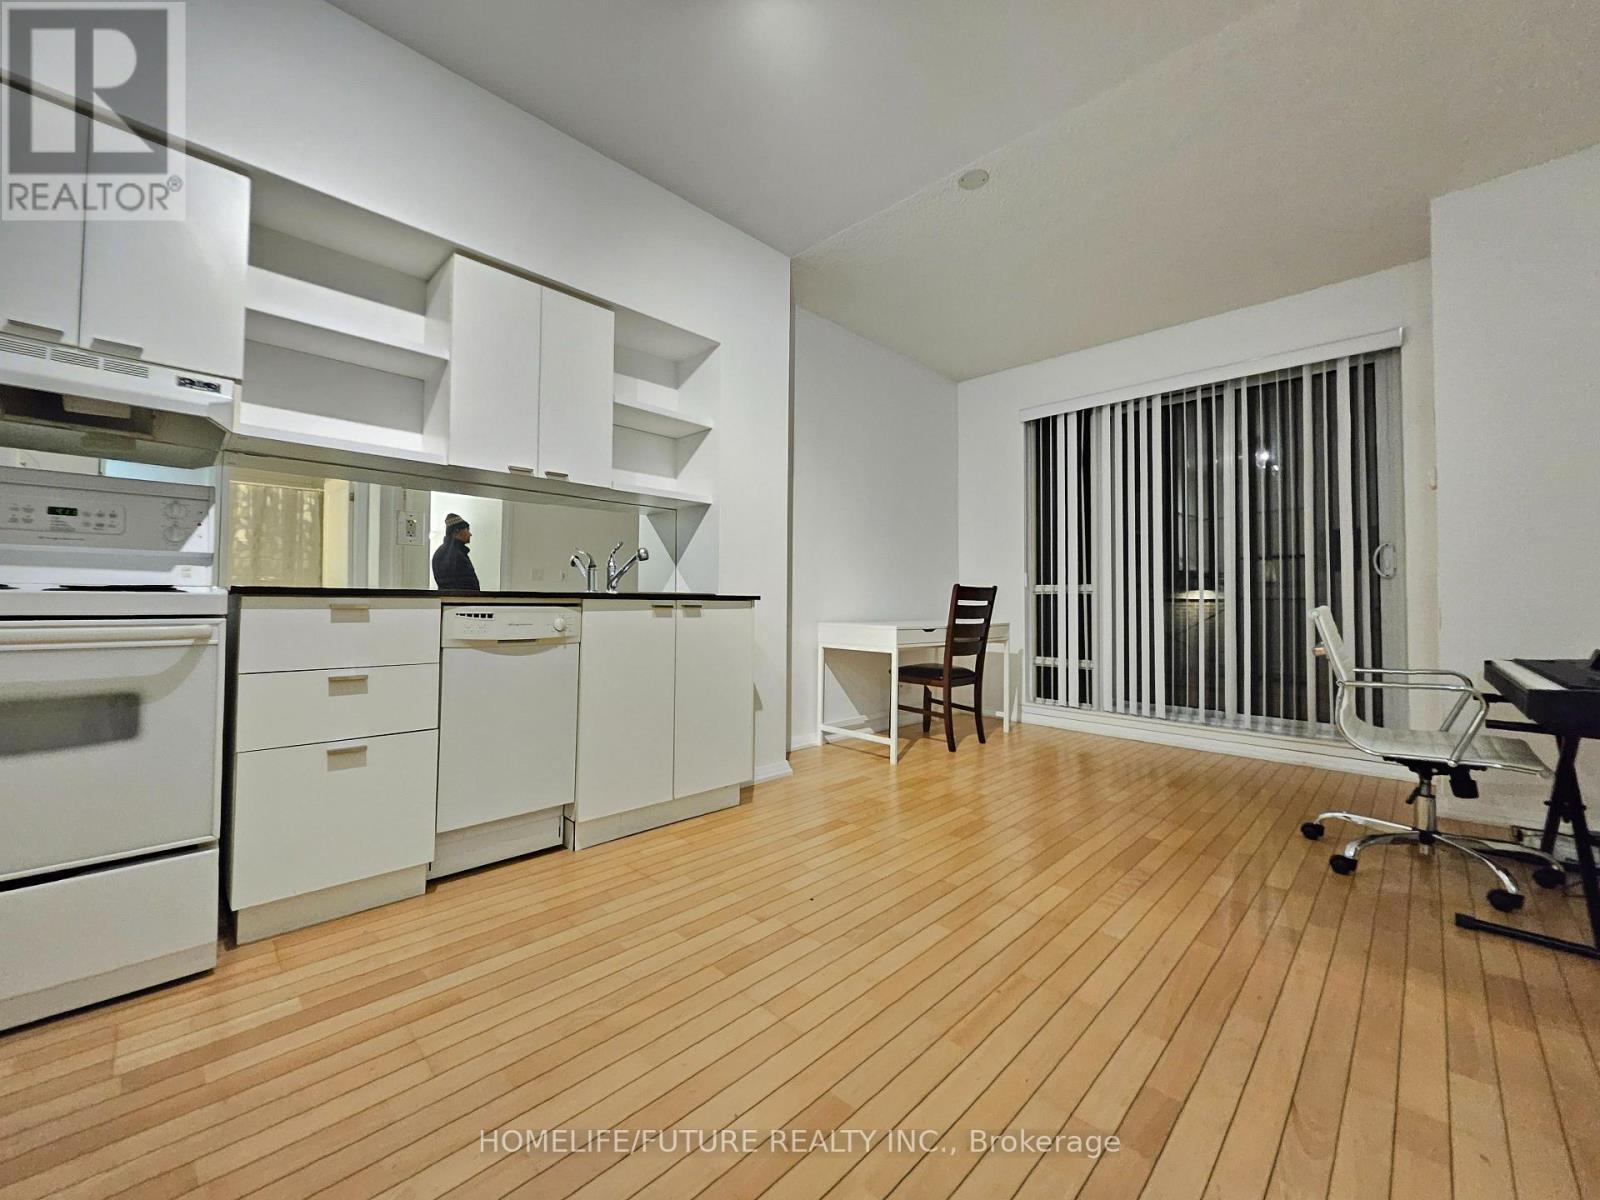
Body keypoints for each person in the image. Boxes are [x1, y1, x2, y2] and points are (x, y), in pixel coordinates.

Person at [431, 513, 481, 592]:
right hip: (462, 601)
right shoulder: (456, 555)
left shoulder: (441, 552)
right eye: (467, 530)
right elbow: (466, 586)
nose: (470, 534)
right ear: (457, 531)